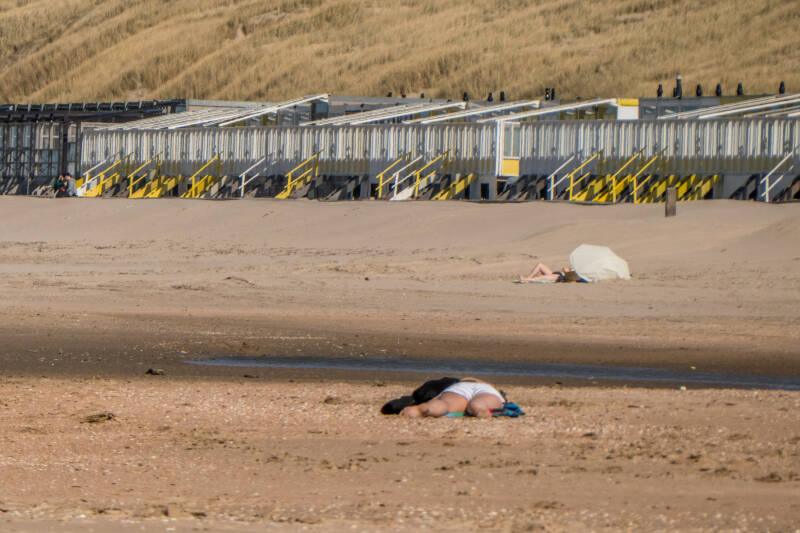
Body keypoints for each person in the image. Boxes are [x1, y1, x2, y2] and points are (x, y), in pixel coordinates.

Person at [399, 377, 505, 418]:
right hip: (485, 389)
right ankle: (479, 409)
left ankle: (425, 409)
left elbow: (437, 396)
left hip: (460, 387)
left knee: (445, 404)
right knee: (480, 403)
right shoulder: (489, 387)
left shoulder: (460, 381)